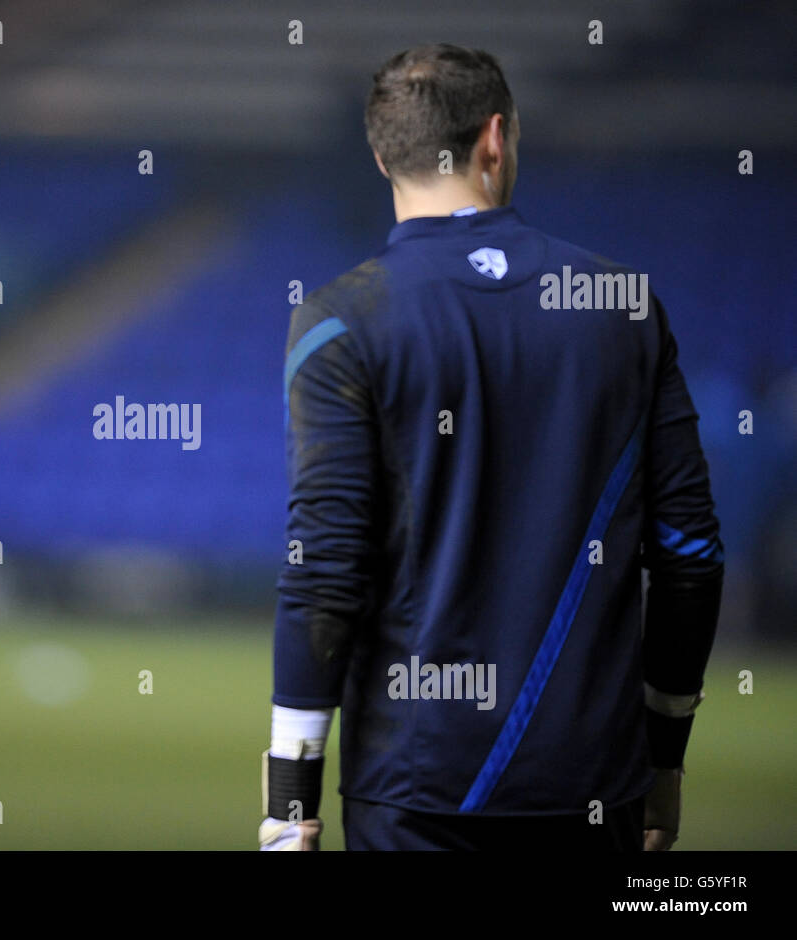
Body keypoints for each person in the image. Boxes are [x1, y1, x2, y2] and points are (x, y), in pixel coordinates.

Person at [260, 44, 723, 851]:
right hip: (593, 788)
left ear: (380, 154)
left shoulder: (340, 321)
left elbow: (323, 569)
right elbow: (689, 554)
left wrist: (289, 798)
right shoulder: (624, 308)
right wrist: (665, 765)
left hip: (414, 790)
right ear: (497, 139)